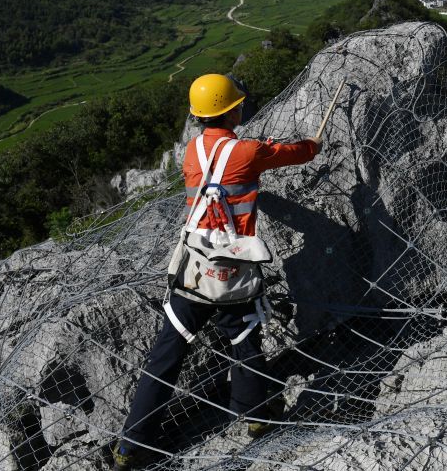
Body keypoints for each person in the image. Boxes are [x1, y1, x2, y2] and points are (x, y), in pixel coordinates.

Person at [112, 74, 322, 470]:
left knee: (166, 355)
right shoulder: (248, 151)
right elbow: (295, 153)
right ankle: (255, 418)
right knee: (244, 340)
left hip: (194, 269)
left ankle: (132, 445)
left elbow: (217, 176)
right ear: (231, 111)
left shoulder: (191, 151)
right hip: (231, 270)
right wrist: (313, 145)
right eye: (237, 104)